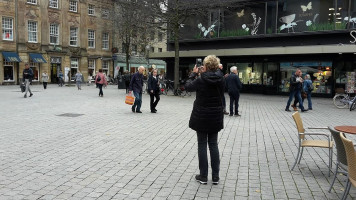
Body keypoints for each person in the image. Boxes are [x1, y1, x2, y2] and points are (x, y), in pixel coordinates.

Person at [185, 55, 224, 185]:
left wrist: (193, 74)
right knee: (213, 144)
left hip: (201, 116)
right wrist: (217, 70)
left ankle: (203, 176)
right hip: (215, 115)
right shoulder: (221, 78)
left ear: (205, 66)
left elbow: (188, 87)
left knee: (202, 144)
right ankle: (216, 177)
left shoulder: (201, 79)